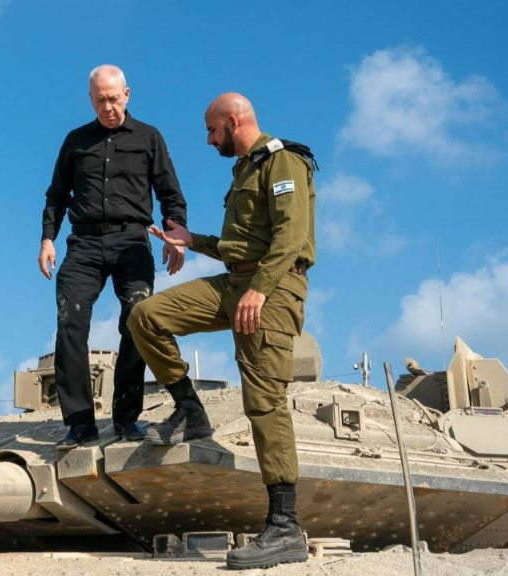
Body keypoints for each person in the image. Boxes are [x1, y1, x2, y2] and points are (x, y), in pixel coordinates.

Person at [127, 93, 316, 570]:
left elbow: (290, 237)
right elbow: (241, 244)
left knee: (264, 400)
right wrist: (194, 242)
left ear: (233, 121)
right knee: (146, 316)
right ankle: (191, 412)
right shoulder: (244, 171)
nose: (209, 140)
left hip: (271, 288)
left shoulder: (284, 162)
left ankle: (284, 526)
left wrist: (260, 290)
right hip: (235, 281)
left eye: (213, 131)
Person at [39, 65, 188, 450]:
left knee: (137, 321)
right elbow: (57, 195)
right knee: (70, 321)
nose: (107, 106)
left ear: (127, 94)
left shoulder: (149, 138)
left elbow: (170, 193)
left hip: (132, 242)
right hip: (84, 244)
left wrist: (175, 236)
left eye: (113, 98)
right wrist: (47, 239)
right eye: (99, 99)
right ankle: (79, 425)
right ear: (91, 100)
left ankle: (126, 419)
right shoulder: (76, 141)